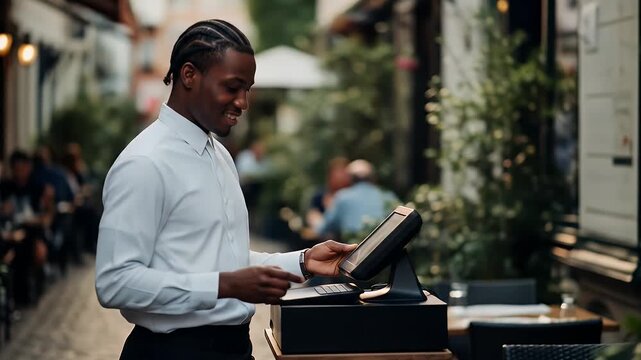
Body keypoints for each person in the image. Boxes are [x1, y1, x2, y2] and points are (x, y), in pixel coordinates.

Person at [94, 19, 355, 360]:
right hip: (172, 352)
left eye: (247, 89)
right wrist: (223, 285)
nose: (243, 102)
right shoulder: (145, 162)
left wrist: (303, 262)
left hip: (233, 348)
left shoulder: (218, 155)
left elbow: (217, 256)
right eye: (232, 87)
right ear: (189, 75)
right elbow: (115, 282)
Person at [309, 159, 400, 243]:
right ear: (373, 177)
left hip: (355, 254)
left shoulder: (342, 197)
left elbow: (323, 229)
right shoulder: (388, 196)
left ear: (350, 178)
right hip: (385, 249)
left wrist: (315, 219)